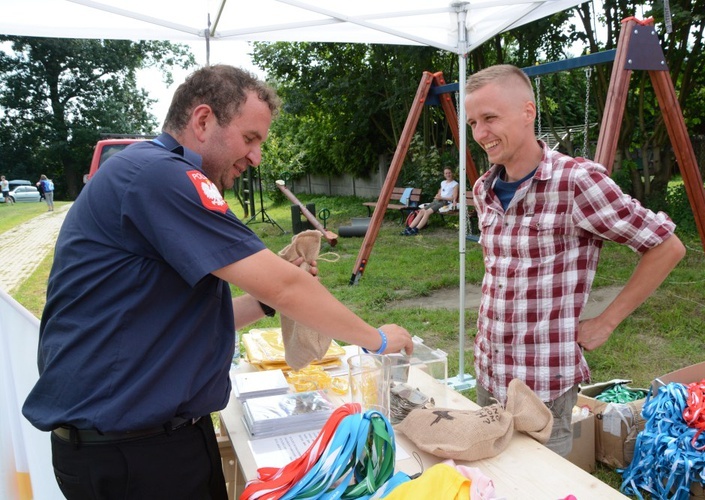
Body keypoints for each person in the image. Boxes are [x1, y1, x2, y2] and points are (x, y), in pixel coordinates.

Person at [22, 65, 414, 500]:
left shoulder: (145, 172)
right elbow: (286, 286)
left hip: (148, 443)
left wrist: (264, 305)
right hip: (136, 454)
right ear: (203, 120)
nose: (257, 157)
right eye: (250, 139)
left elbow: (184, 319)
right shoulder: (161, 175)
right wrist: (376, 339)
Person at [464, 64, 686, 457]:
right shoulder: (484, 188)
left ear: (528, 111)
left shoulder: (575, 181)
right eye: (474, 122)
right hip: (488, 370)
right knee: (492, 479)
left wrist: (607, 321)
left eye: (490, 118)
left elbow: (666, 247)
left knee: (541, 488)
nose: (480, 134)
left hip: (543, 383)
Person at [401, 167, 459, 235]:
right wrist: (437, 196)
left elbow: (453, 198)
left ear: (452, 173)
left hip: (445, 202)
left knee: (427, 212)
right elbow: (439, 193)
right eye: (446, 173)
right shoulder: (443, 182)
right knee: (421, 211)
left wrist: (442, 197)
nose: (448, 174)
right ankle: (409, 228)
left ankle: (416, 230)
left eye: (449, 173)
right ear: (444, 175)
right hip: (438, 200)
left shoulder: (455, 184)